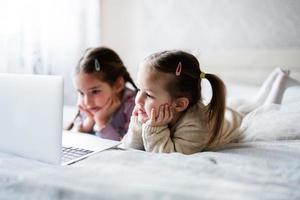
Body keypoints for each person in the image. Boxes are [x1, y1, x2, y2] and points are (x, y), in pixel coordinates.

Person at [121, 50, 290, 154]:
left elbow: (169, 156)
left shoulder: (195, 126)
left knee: (264, 109)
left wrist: (154, 129)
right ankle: (271, 82)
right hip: (227, 109)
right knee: (254, 101)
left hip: (237, 121)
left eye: (148, 95)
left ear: (179, 104)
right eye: (139, 90)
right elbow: (130, 146)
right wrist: (139, 123)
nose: (138, 99)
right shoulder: (153, 111)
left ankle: (281, 80)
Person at [67, 46, 137, 141]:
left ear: (118, 85)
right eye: (81, 93)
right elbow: (73, 140)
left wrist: (101, 122)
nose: (87, 102)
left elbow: (125, 149)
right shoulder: (88, 107)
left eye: (95, 91)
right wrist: (89, 122)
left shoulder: (134, 108)